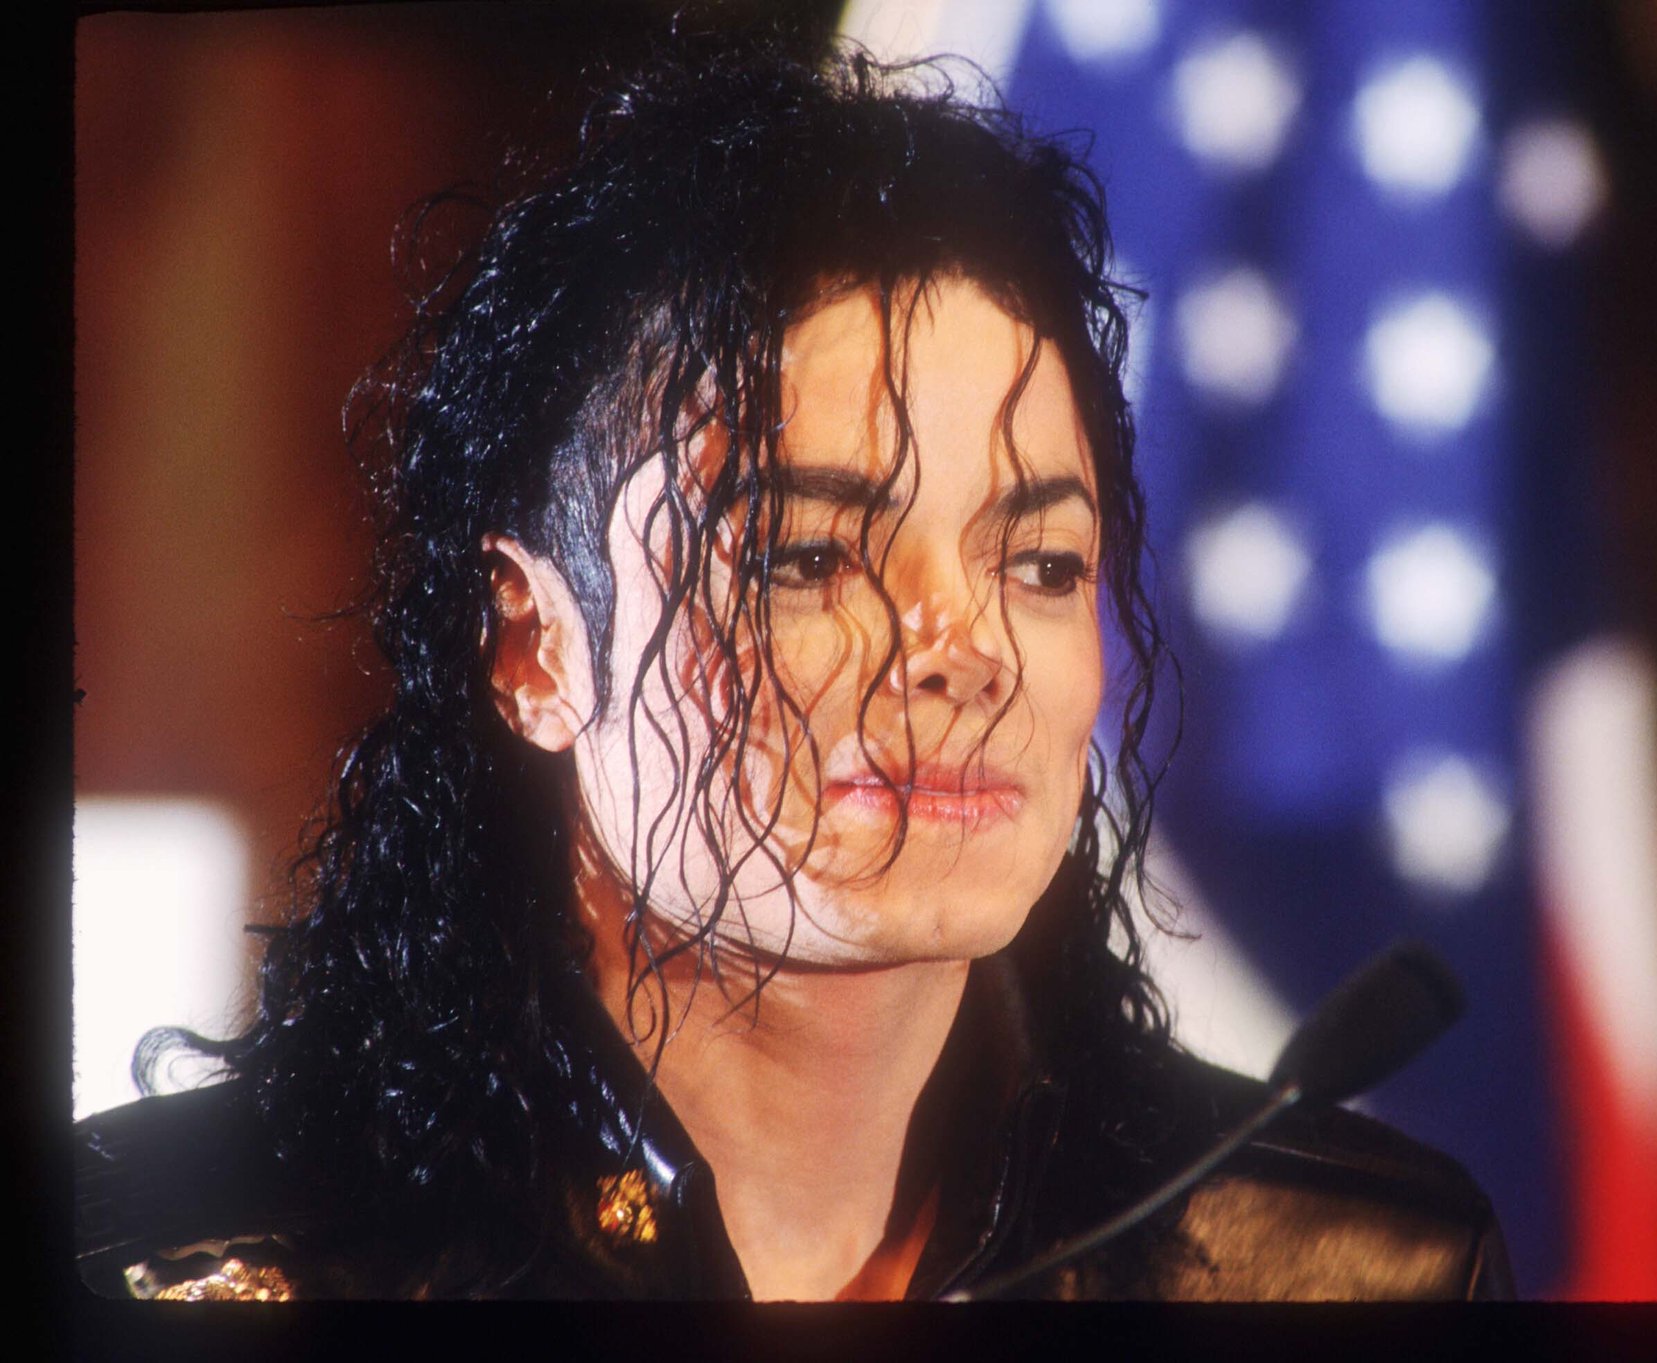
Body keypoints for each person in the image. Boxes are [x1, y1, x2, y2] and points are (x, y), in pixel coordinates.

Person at [75, 23, 1512, 1302]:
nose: (963, 652)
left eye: (1040, 564)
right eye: (807, 558)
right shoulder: (179, 1259)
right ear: (532, 646)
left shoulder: (1358, 1271)